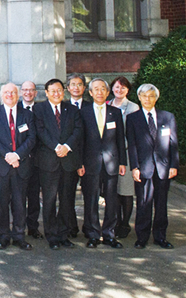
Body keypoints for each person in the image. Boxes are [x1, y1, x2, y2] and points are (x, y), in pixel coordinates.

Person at [0, 83, 37, 250]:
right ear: (1, 95)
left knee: (20, 203)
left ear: (18, 95)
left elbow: (31, 138)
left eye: (13, 92)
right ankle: (4, 236)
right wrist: (8, 155)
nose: (10, 95)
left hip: (21, 166)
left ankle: (19, 236)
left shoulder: (27, 115)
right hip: (0, 166)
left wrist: (17, 155)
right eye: (6, 92)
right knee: (1, 203)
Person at [33, 79, 83, 250]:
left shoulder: (72, 109)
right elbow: (40, 131)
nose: (57, 93)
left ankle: (63, 234)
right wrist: (56, 147)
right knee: (49, 200)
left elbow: (78, 130)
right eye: (53, 91)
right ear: (46, 92)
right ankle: (52, 236)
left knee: (67, 200)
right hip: (48, 161)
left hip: (68, 161)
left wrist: (66, 147)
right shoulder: (39, 109)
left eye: (60, 90)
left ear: (64, 92)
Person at [127, 84, 179, 249]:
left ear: (156, 98)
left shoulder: (167, 117)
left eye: (151, 96)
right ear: (139, 98)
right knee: (143, 203)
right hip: (143, 168)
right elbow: (132, 145)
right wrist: (134, 167)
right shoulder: (132, 118)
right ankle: (142, 237)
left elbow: (173, 143)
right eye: (144, 96)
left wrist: (174, 165)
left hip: (163, 168)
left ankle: (160, 237)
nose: (147, 99)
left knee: (161, 204)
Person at [80, 78, 126, 249]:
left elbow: (120, 139)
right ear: (90, 93)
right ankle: (93, 234)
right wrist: (80, 163)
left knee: (112, 200)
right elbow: (80, 141)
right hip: (90, 163)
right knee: (91, 199)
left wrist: (122, 162)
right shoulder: (83, 112)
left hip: (112, 163)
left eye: (103, 89)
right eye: (96, 89)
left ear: (108, 93)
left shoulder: (116, 112)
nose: (99, 92)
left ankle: (109, 234)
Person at [108, 76, 139, 239]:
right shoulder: (107, 105)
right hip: (109, 155)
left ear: (128, 90)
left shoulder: (133, 108)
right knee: (113, 191)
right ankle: (116, 221)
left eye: (123, 88)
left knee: (126, 191)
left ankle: (125, 223)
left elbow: (134, 134)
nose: (119, 90)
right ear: (112, 89)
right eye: (117, 87)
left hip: (125, 153)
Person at [19, 81, 43, 240]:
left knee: (34, 196)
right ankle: (18, 226)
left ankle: (33, 227)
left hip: (37, 160)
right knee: (18, 196)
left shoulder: (41, 110)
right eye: (25, 90)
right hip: (19, 159)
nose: (28, 93)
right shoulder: (16, 108)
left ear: (35, 93)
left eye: (31, 90)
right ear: (21, 92)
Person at [64, 73, 87, 238]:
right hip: (69, 159)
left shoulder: (91, 106)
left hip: (89, 159)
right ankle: (70, 228)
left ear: (84, 88)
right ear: (68, 88)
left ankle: (90, 228)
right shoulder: (63, 107)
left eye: (79, 84)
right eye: (73, 84)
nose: (76, 87)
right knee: (68, 196)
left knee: (90, 197)